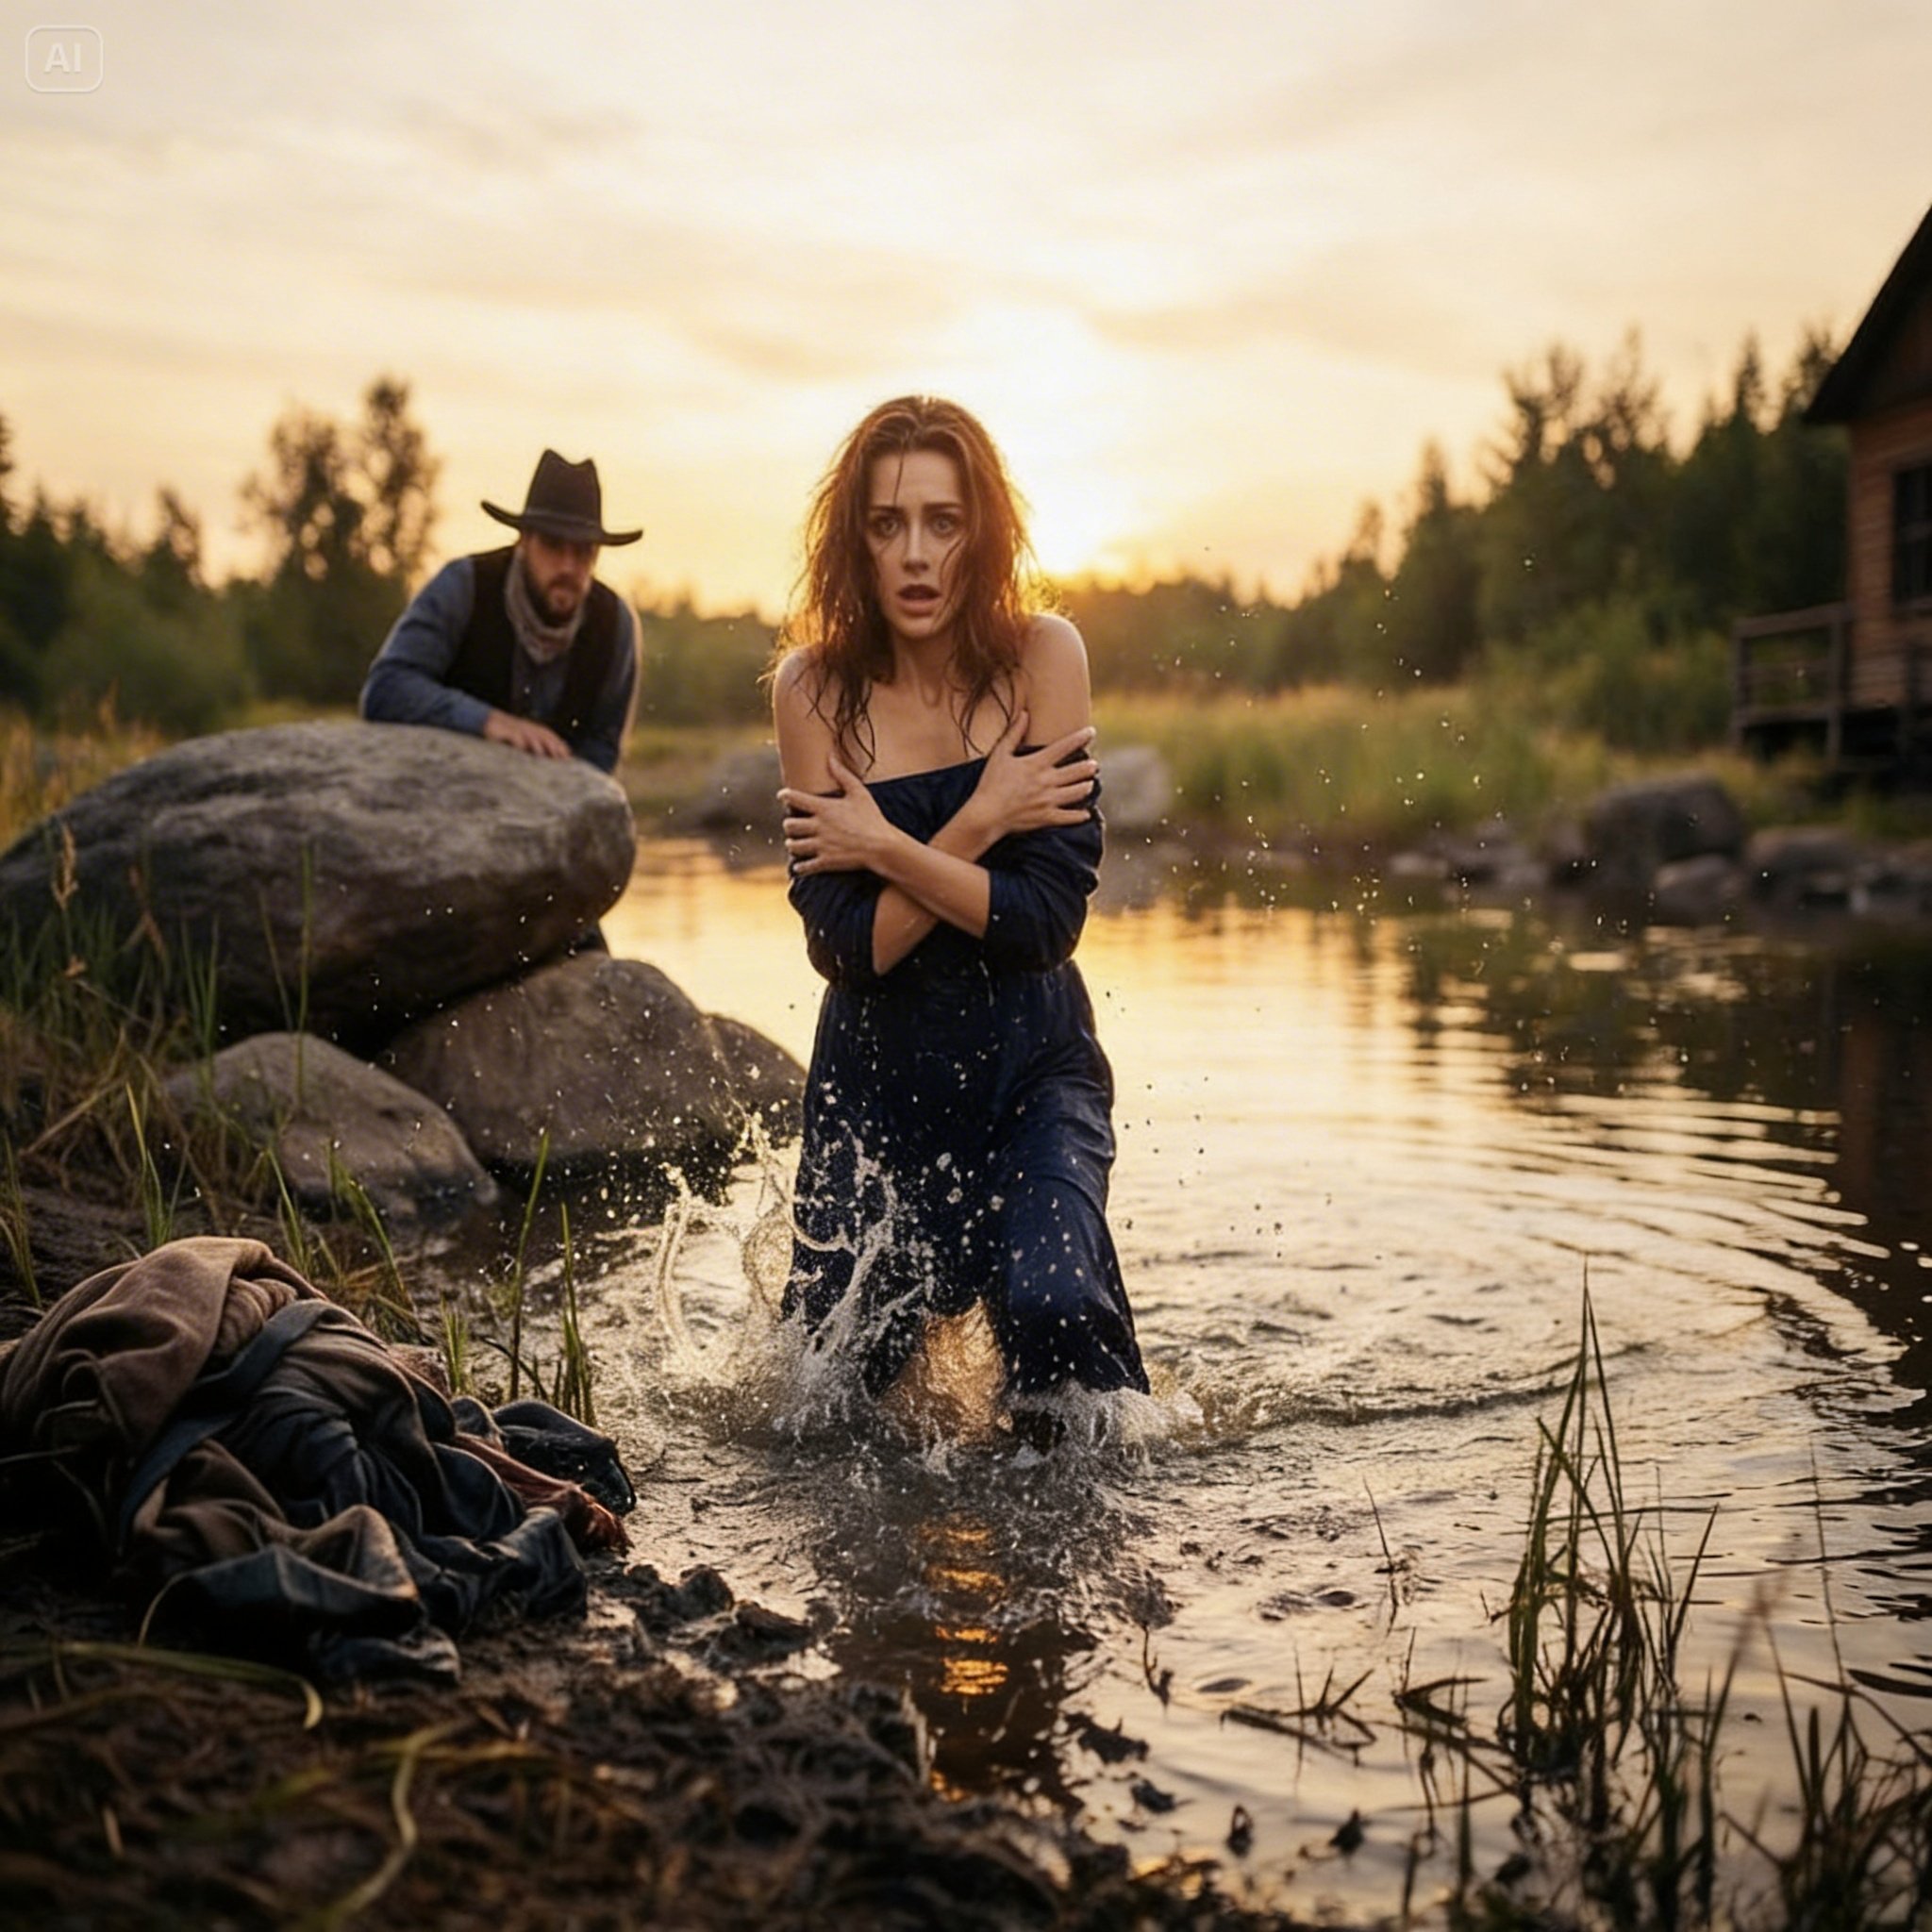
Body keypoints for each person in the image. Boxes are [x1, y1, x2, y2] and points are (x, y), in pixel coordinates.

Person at [771, 396, 1148, 1440]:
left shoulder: (1044, 659)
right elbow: (845, 950)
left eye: (942, 521)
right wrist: (984, 817)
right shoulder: (811, 690)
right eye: (886, 524)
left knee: (1060, 1317)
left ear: (981, 531)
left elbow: (1042, 923)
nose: (915, 554)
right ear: (854, 541)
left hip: (1029, 1069)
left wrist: (884, 845)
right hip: (875, 1090)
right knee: (826, 1402)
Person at [359, 448, 641, 774]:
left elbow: (604, 749)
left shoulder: (616, 625)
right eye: (552, 545)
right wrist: (488, 722)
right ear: (523, 540)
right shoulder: (464, 586)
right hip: (437, 786)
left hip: (551, 806)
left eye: (583, 551)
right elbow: (386, 689)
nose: (568, 565)